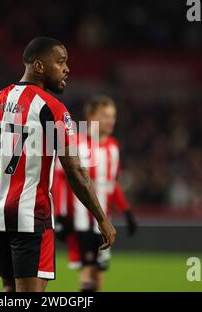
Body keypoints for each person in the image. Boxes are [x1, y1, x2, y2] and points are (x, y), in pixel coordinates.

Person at [0, 37, 116, 292]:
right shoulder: (51, 109)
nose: (67, 69)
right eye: (60, 62)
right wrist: (102, 218)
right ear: (39, 66)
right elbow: (74, 170)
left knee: (10, 289)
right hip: (31, 214)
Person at [52, 95, 137, 291]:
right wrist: (60, 215)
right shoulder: (75, 144)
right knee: (87, 274)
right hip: (80, 221)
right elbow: (60, 181)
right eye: (105, 115)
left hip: (104, 223)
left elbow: (111, 184)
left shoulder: (114, 148)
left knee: (98, 275)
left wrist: (127, 211)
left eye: (113, 116)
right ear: (91, 117)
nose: (110, 120)